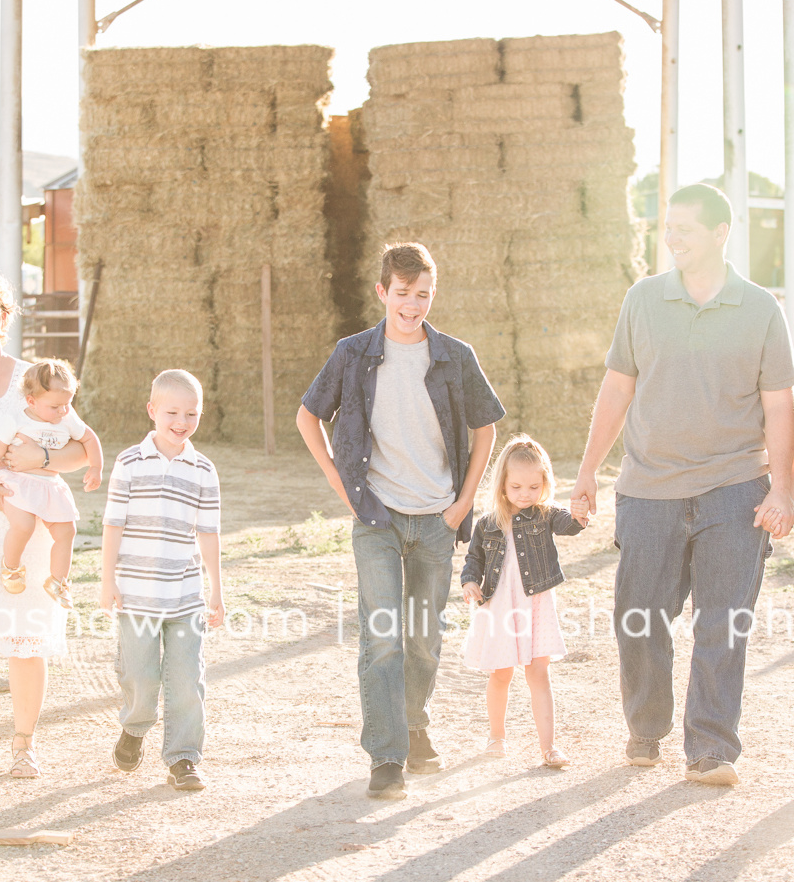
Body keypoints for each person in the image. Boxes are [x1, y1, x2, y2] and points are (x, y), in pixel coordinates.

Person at [571, 183, 794, 787]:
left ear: (722, 234)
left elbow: (779, 406)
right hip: (648, 488)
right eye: (668, 228)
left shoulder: (760, 309)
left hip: (734, 486)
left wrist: (784, 490)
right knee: (639, 616)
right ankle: (646, 730)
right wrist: (589, 469)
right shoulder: (642, 300)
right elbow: (618, 388)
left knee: (724, 622)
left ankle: (711, 748)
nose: (671, 239)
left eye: (684, 230)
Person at [297, 242, 505, 799]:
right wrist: (341, 484)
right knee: (383, 638)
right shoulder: (353, 353)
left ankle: (415, 727)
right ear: (382, 291)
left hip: (437, 518)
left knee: (424, 641)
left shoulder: (455, 356)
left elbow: (486, 429)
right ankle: (386, 756)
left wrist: (464, 503)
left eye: (423, 295)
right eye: (403, 294)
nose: (412, 306)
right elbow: (308, 415)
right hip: (378, 518)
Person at [100, 368, 224, 791]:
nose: (182, 422)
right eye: (172, 411)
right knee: (140, 674)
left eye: (192, 413)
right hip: (135, 593)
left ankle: (184, 757)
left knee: (187, 679)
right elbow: (113, 524)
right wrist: (106, 580)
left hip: (185, 594)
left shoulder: (204, 470)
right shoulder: (129, 463)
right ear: (152, 410)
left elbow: (208, 534)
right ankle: (135, 726)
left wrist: (216, 591)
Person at [0, 271, 90, 777]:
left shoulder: (34, 379)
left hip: (25, 521)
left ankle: (22, 745)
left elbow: (78, 448)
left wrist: (39, 458)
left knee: (23, 637)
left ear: (4, 317)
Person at [461, 435, 587, 766]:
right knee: (501, 673)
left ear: (544, 483)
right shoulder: (488, 524)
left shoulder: (546, 515)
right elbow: (473, 560)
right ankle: (496, 737)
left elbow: (569, 523)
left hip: (535, 605)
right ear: (503, 484)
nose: (525, 494)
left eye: (533, 487)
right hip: (499, 606)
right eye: (516, 487)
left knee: (538, 673)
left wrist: (579, 513)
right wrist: (471, 581)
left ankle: (549, 747)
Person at [0, 358, 103, 609]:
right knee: (23, 525)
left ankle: (58, 580)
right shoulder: (16, 419)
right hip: (18, 481)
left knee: (67, 531)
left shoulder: (65, 418)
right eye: (56, 406)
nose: (64, 411)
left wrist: (96, 467)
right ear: (31, 401)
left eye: (68, 404)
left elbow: (89, 438)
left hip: (50, 484)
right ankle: (11, 567)